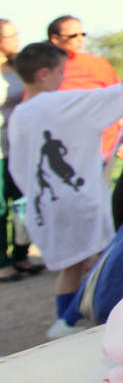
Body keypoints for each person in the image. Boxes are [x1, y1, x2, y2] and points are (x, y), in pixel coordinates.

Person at [7, 42, 123, 337]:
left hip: (45, 204)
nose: (62, 78)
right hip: (80, 200)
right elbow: (118, 91)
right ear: (44, 74)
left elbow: (18, 166)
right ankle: (73, 319)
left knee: (71, 265)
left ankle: (66, 318)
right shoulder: (59, 103)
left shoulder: (20, 115)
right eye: (60, 72)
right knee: (104, 259)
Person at [1, 18, 44, 282]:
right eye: (11, 36)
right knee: (0, 209)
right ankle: (2, 262)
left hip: (20, 145)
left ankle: (21, 255)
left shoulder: (20, 68)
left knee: (23, 204)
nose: (17, 39)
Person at [46, 15, 123, 163]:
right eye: (73, 36)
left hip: (102, 146)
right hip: (64, 150)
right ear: (55, 39)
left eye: (82, 34)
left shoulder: (98, 64)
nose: (80, 39)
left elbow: (117, 100)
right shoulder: (44, 70)